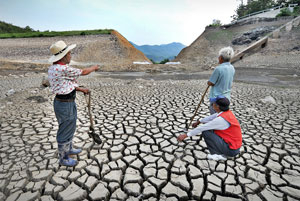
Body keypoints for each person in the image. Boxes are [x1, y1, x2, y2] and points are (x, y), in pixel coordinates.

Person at [48, 40, 99, 167]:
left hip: (64, 102)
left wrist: (81, 89)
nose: (71, 56)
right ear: (64, 56)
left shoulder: (54, 68)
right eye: (69, 54)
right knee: (65, 129)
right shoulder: (63, 68)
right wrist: (94, 67)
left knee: (69, 126)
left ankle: (69, 149)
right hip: (65, 104)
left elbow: (65, 84)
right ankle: (63, 158)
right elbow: (84, 72)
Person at [177, 96, 242, 161]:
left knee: (206, 132)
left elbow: (202, 128)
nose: (212, 104)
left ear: (217, 106)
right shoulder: (226, 113)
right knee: (210, 130)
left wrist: (186, 135)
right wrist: (199, 121)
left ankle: (218, 154)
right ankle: (221, 150)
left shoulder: (221, 120)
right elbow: (211, 117)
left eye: (213, 103)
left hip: (231, 150)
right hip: (234, 146)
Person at [207, 46, 235, 115]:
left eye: (219, 57)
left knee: (215, 117)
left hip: (217, 99)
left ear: (221, 58)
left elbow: (211, 83)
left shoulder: (218, 68)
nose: (218, 58)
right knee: (223, 116)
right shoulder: (232, 68)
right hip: (226, 98)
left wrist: (208, 82)